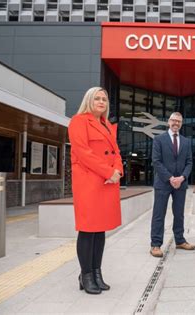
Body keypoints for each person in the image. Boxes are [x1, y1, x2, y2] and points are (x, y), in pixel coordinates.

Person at [68, 87, 123, 294]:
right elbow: (83, 152)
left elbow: (116, 152)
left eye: (105, 99)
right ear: (89, 100)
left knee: (100, 229)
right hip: (89, 182)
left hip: (107, 182)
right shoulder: (78, 121)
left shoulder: (107, 125)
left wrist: (117, 170)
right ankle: (86, 274)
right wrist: (108, 172)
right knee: (88, 229)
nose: (102, 102)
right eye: (97, 98)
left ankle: (97, 273)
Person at [150, 112, 195, 257]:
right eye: (174, 120)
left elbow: (189, 162)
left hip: (180, 184)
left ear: (181, 124)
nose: (176, 123)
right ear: (169, 122)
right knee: (159, 214)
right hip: (163, 183)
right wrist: (170, 178)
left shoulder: (186, 141)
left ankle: (180, 241)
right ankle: (155, 245)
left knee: (179, 214)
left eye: (179, 121)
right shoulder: (158, 139)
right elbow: (156, 161)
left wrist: (182, 177)